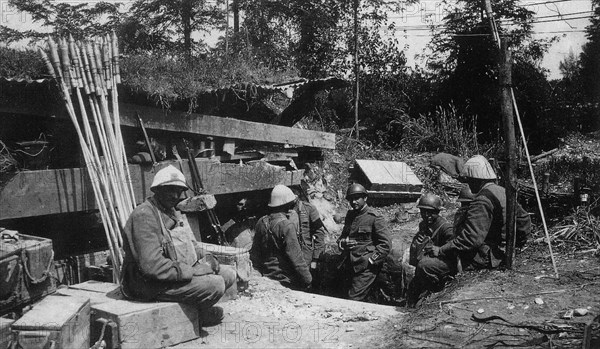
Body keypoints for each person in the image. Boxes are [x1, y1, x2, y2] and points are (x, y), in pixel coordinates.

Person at [121, 165, 236, 325]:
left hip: (173, 274)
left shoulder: (171, 211)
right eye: (170, 190)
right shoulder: (144, 216)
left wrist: (208, 259)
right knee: (215, 284)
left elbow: (190, 244)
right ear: (157, 189)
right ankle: (197, 317)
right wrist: (193, 271)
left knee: (228, 273)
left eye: (179, 191)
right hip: (147, 284)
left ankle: (196, 311)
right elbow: (152, 266)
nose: (176, 195)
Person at [427, 155, 532, 272]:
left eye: (470, 180)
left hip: (487, 257)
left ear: (478, 179)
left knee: (427, 265)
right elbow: (524, 220)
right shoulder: (503, 191)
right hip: (501, 251)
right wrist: (515, 246)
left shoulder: (482, 200)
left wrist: (441, 250)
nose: (468, 183)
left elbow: (470, 240)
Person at [337, 183, 392, 301]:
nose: (353, 202)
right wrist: (342, 242)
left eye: (357, 198)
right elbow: (343, 236)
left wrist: (371, 260)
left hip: (366, 267)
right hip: (350, 263)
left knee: (353, 299)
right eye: (351, 199)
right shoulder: (350, 215)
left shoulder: (374, 217)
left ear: (365, 198)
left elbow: (385, 244)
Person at [253, 185, 312, 289]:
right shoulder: (286, 226)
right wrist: (308, 279)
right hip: (284, 280)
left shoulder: (261, 222)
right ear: (288, 204)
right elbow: (296, 259)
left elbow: (255, 254)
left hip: (265, 277)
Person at [406, 193, 456, 307]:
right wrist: (417, 243)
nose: (427, 215)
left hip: (446, 263)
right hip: (430, 261)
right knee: (413, 285)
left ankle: (432, 292)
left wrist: (439, 249)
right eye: (423, 212)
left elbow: (454, 247)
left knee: (424, 265)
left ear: (437, 212)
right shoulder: (423, 225)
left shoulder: (446, 228)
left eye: (431, 212)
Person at [288, 190, 326, 290]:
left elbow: (319, 235)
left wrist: (316, 259)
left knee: (305, 284)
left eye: (295, 194)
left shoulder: (309, 209)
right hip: (288, 254)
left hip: (305, 256)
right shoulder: (283, 208)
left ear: (298, 195)